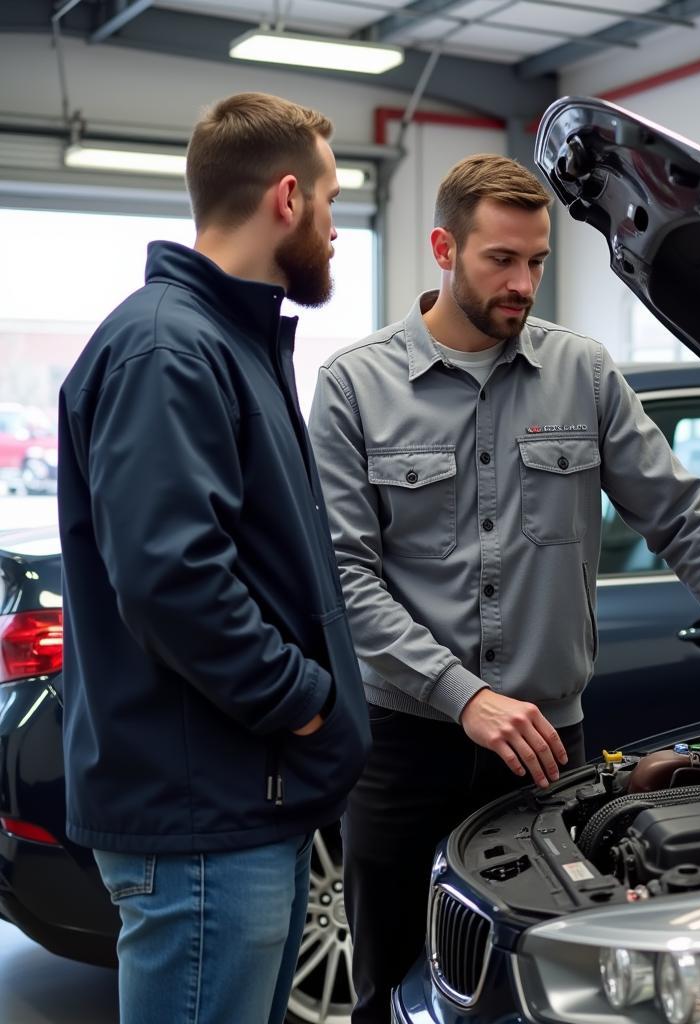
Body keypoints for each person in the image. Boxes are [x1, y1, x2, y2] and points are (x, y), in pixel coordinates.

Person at [307, 154, 700, 1024]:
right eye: (500, 260)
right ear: (444, 248)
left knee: (555, 994)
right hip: (403, 748)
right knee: (392, 992)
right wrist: (464, 695)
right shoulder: (354, 386)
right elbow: (345, 578)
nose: (523, 283)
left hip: (549, 750)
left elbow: (683, 520)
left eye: (537, 262)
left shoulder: (582, 375)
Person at [58, 92, 370, 1024]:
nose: (336, 227)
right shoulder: (170, 348)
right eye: (330, 200)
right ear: (286, 198)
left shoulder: (227, 341)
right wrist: (304, 704)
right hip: (203, 819)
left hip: (238, 803)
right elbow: (173, 580)